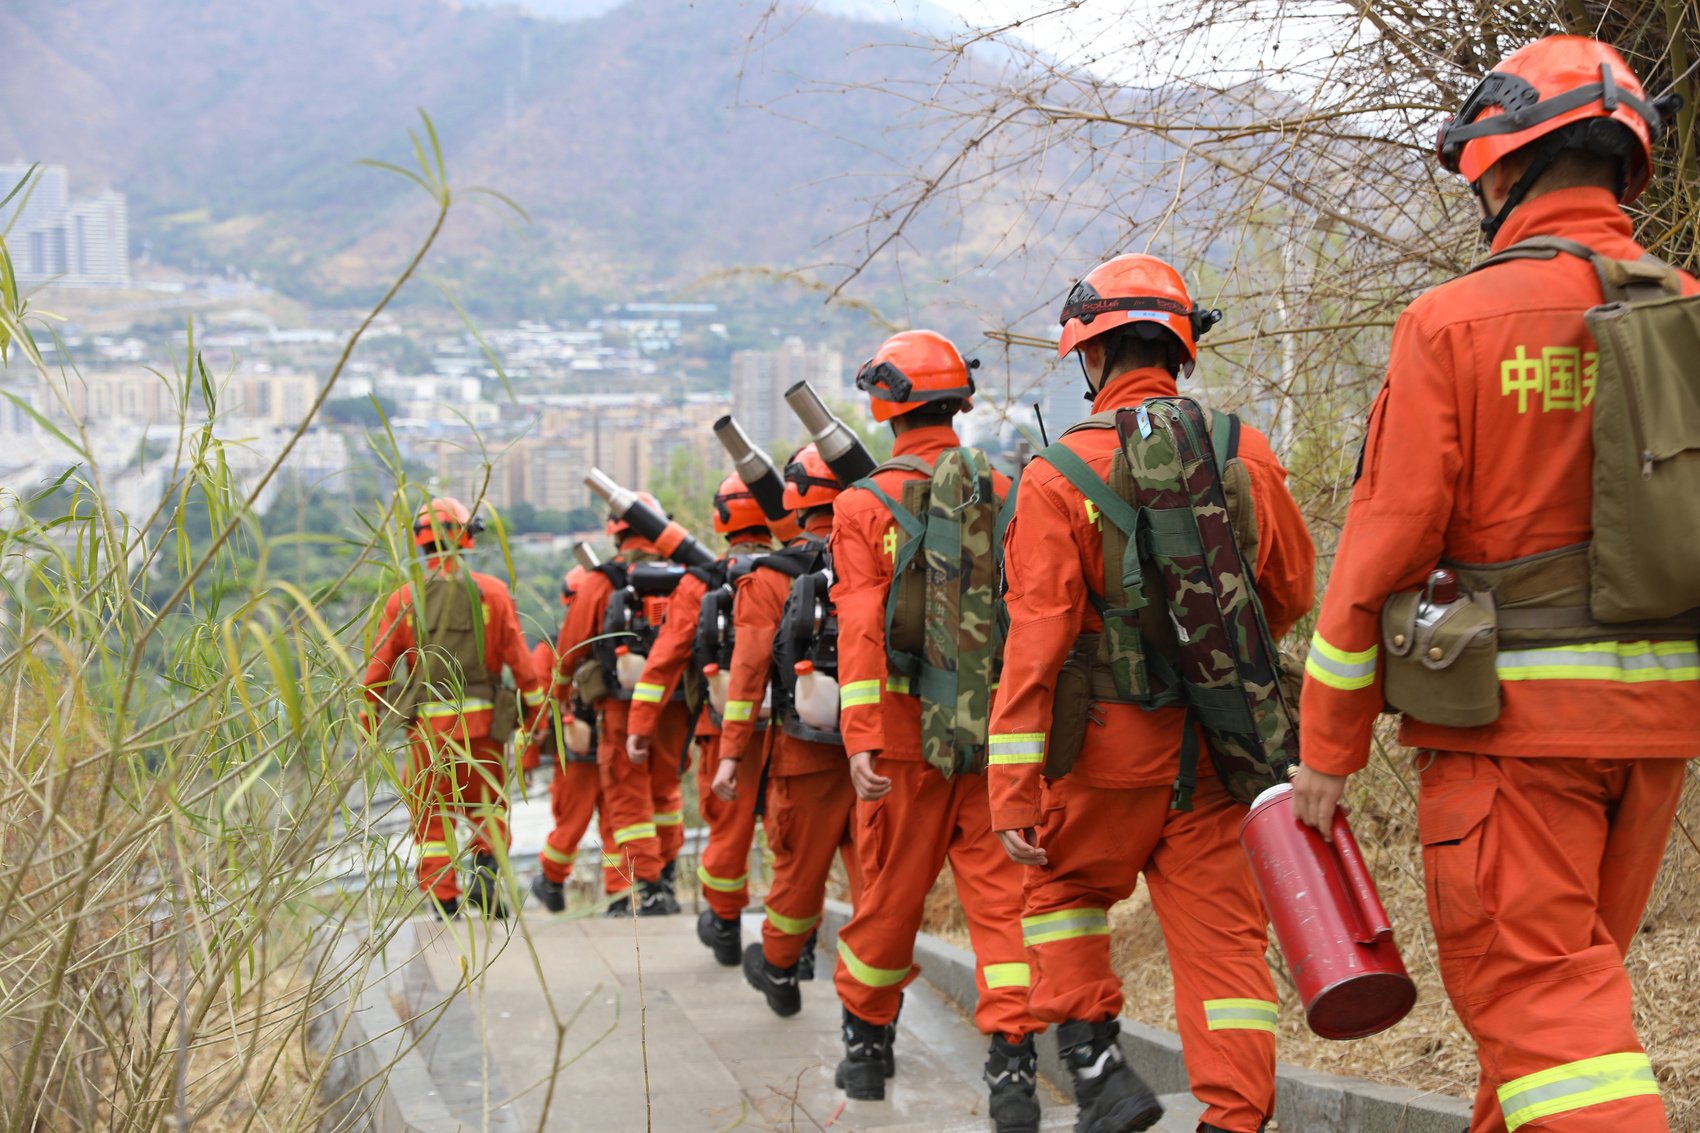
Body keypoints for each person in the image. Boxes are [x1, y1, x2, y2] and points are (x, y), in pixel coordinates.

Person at [1293, 36, 1697, 1133]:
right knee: (1556, 1010)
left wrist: (1326, 745)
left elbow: (1382, 542)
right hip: (1655, 734)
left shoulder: (1453, 323)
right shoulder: (1690, 312)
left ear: (1503, 164)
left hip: (1509, 739)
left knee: (1540, 1012)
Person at [987, 254, 1316, 1133]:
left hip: (1100, 758)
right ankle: (1236, 1116)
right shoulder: (1243, 448)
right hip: (1218, 755)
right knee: (1224, 949)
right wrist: (1216, 662)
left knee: (1059, 895)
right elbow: (1287, 590)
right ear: (1180, 348)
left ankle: (1098, 1067)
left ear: (1089, 357)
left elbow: (1036, 643)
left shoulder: (1057, 474)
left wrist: (1015, 785)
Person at [829, 330, 1045, 1132]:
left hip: (900, 741)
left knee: (888, 893)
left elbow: (857, 627)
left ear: (885, 403)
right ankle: (1015, 1063)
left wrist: (859, 735)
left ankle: (866, 1042)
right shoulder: (1010, 486)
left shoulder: (860, 505)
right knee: (1005, 902)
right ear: (959, 400)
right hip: (995, 735)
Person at [713, 446, 861, 1013]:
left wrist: (731, 756)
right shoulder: (880, 553)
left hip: (804, 749)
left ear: (793, 501)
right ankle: (873, 1015)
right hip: (881, 746)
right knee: (876, 876)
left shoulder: (770, 579)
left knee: (799, 866)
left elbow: (748, 673)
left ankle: (778, 968)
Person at [362, 497, 546, 919]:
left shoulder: (404, 599)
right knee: (488, 809)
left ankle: (444, 900)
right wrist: (534, 722)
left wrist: (367, 727)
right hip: (484, 731)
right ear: (465, 536)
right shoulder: (492, 593)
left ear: (421, 543)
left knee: (432, 817)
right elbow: (523, 668)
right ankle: (484, 877)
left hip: (428, 733)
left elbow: (378, 674)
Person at [624, 473, 779, 961]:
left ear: (722, 518)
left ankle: (726, 927)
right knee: (793, 836)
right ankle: (787, 943)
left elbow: (664, 661)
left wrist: (639, 727)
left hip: (721, 727)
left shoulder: (702, 581)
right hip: (792, 729)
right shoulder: (796, 567)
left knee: (728, 833)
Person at [552, 495, 691, 915]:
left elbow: (571, 648)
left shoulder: (601, 581)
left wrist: (561, 700)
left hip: (622, 708)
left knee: (628, 798)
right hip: (678, 705)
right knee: (665, 793)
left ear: (615, 534)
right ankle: (665, 874)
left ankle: (646, 886)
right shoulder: (687, 575)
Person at [530, 577, 626, 912]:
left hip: (580, 752)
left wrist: (529, 757)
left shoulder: (554, 649)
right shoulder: (621, 639)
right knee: (613, 822)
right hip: (608, 747)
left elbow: (536, 705)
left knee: (576, 823)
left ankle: (554, 881)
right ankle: (617, 897)